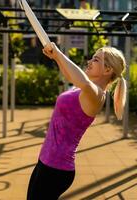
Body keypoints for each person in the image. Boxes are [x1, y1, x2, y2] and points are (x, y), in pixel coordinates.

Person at [27, 42, 127, 200]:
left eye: (95, 60)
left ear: (108, 70)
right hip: (46, 161)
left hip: (56, 168)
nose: (89, 61)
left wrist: (59, 54)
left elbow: (83, 82)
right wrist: (56, 58)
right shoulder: (84, 89)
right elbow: (71, 76)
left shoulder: (97, 95)